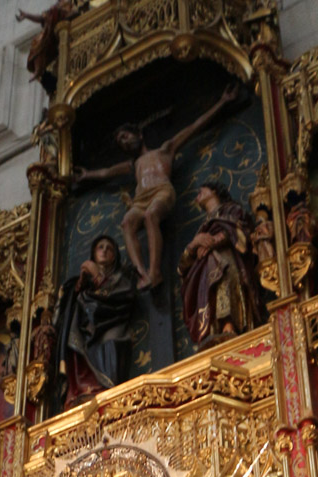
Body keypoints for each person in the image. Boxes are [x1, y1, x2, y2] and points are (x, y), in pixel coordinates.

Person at [73, 83, 240, 290]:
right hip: (141, 198)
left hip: (161, 191)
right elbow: (106, 172)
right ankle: (142, 273)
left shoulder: (164, 150)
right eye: (120, 142)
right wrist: (88, 174)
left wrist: (223, 101)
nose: (123, 142)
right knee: (127, 223)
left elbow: (194, 126)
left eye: (125, 136)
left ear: (139, 135)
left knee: (151, 216)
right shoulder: (132, 165)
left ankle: (155, 272)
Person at [178, 181, 264, 348]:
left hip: (228, 261)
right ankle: (213, 330)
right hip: (205, 271)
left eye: (200, 191)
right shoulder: (202, 228)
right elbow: (183, 268)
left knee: (222, 273)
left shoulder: (232, 210)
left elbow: (243, 232)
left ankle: (229, 325)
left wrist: (215, 240)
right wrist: (194, 245)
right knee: (209, 283)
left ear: (214, 191)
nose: (197, 197)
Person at [54, 235, 134, 409]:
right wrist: (78, 287)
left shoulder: (120, 278)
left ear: (115, 256)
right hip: (86, 328)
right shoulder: (84, 280)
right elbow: (68, 309)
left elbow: (120, 298)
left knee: (111, 345)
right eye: (100, 247)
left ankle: (105, 388)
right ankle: (81, 391)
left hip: (111, 325)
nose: (104, 250)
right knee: (74, 337)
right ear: (93, 253)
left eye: (109, 248)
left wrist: (98, 276)